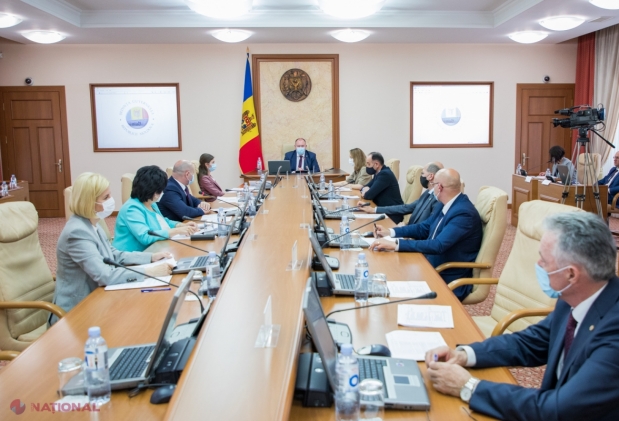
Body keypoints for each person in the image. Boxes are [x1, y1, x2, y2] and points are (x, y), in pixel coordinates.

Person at [424, 211, 619, 421]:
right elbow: (532, 342)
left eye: (544, 260)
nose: (538, 264)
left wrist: (469, 386)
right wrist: (464, 354)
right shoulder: (575, 297)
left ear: (571, 274)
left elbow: (560, 409)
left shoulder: (613, 333)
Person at [52, 172, 173, 324]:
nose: (111, 200)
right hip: (76, 312)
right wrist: (148, 272)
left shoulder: (92, 223)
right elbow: (105, 275)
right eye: (106, 197)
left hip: (98, 298)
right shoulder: (77, 232)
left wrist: (150, 257)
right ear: (89, 202)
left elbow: (112, 254)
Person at [370, 169, 482, 301]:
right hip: (428, 264)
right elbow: (424, 227)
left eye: (433, 184)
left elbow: (438, 245)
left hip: (445, 276)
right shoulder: (445, 204)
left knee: (394, 289)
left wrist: (395, 244)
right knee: (387, 271)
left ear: (439, 187)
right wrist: (391, 232)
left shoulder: (464, 213)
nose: (431, 188)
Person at [113, 165, 198, 252]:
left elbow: (163, 221)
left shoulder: (151, 203)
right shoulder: (132, 209)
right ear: (150, 190)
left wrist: (180, 225)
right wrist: (176, 231)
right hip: (135, 255)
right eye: (160, 191)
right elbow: (145, 236)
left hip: (155, 248)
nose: (162, 193)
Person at [359, 162, 443, 226]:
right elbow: (405, 208)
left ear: (430, 176)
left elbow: (425, 228)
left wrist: (398, 230)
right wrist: (374, 210)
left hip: (413, 238)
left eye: (423, 173)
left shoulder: (437, 199)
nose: (421, 176)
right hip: (408, 231)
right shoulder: (427, 193)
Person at [359, 152, 405, 224]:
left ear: (376, 164)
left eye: (368, 164)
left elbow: (368, 195)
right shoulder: (378, 173)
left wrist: (366, 191)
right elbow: (364, 187)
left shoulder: (385, 174)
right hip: (382, 209)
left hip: (392, 214)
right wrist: (365, 190)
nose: (367, 166)